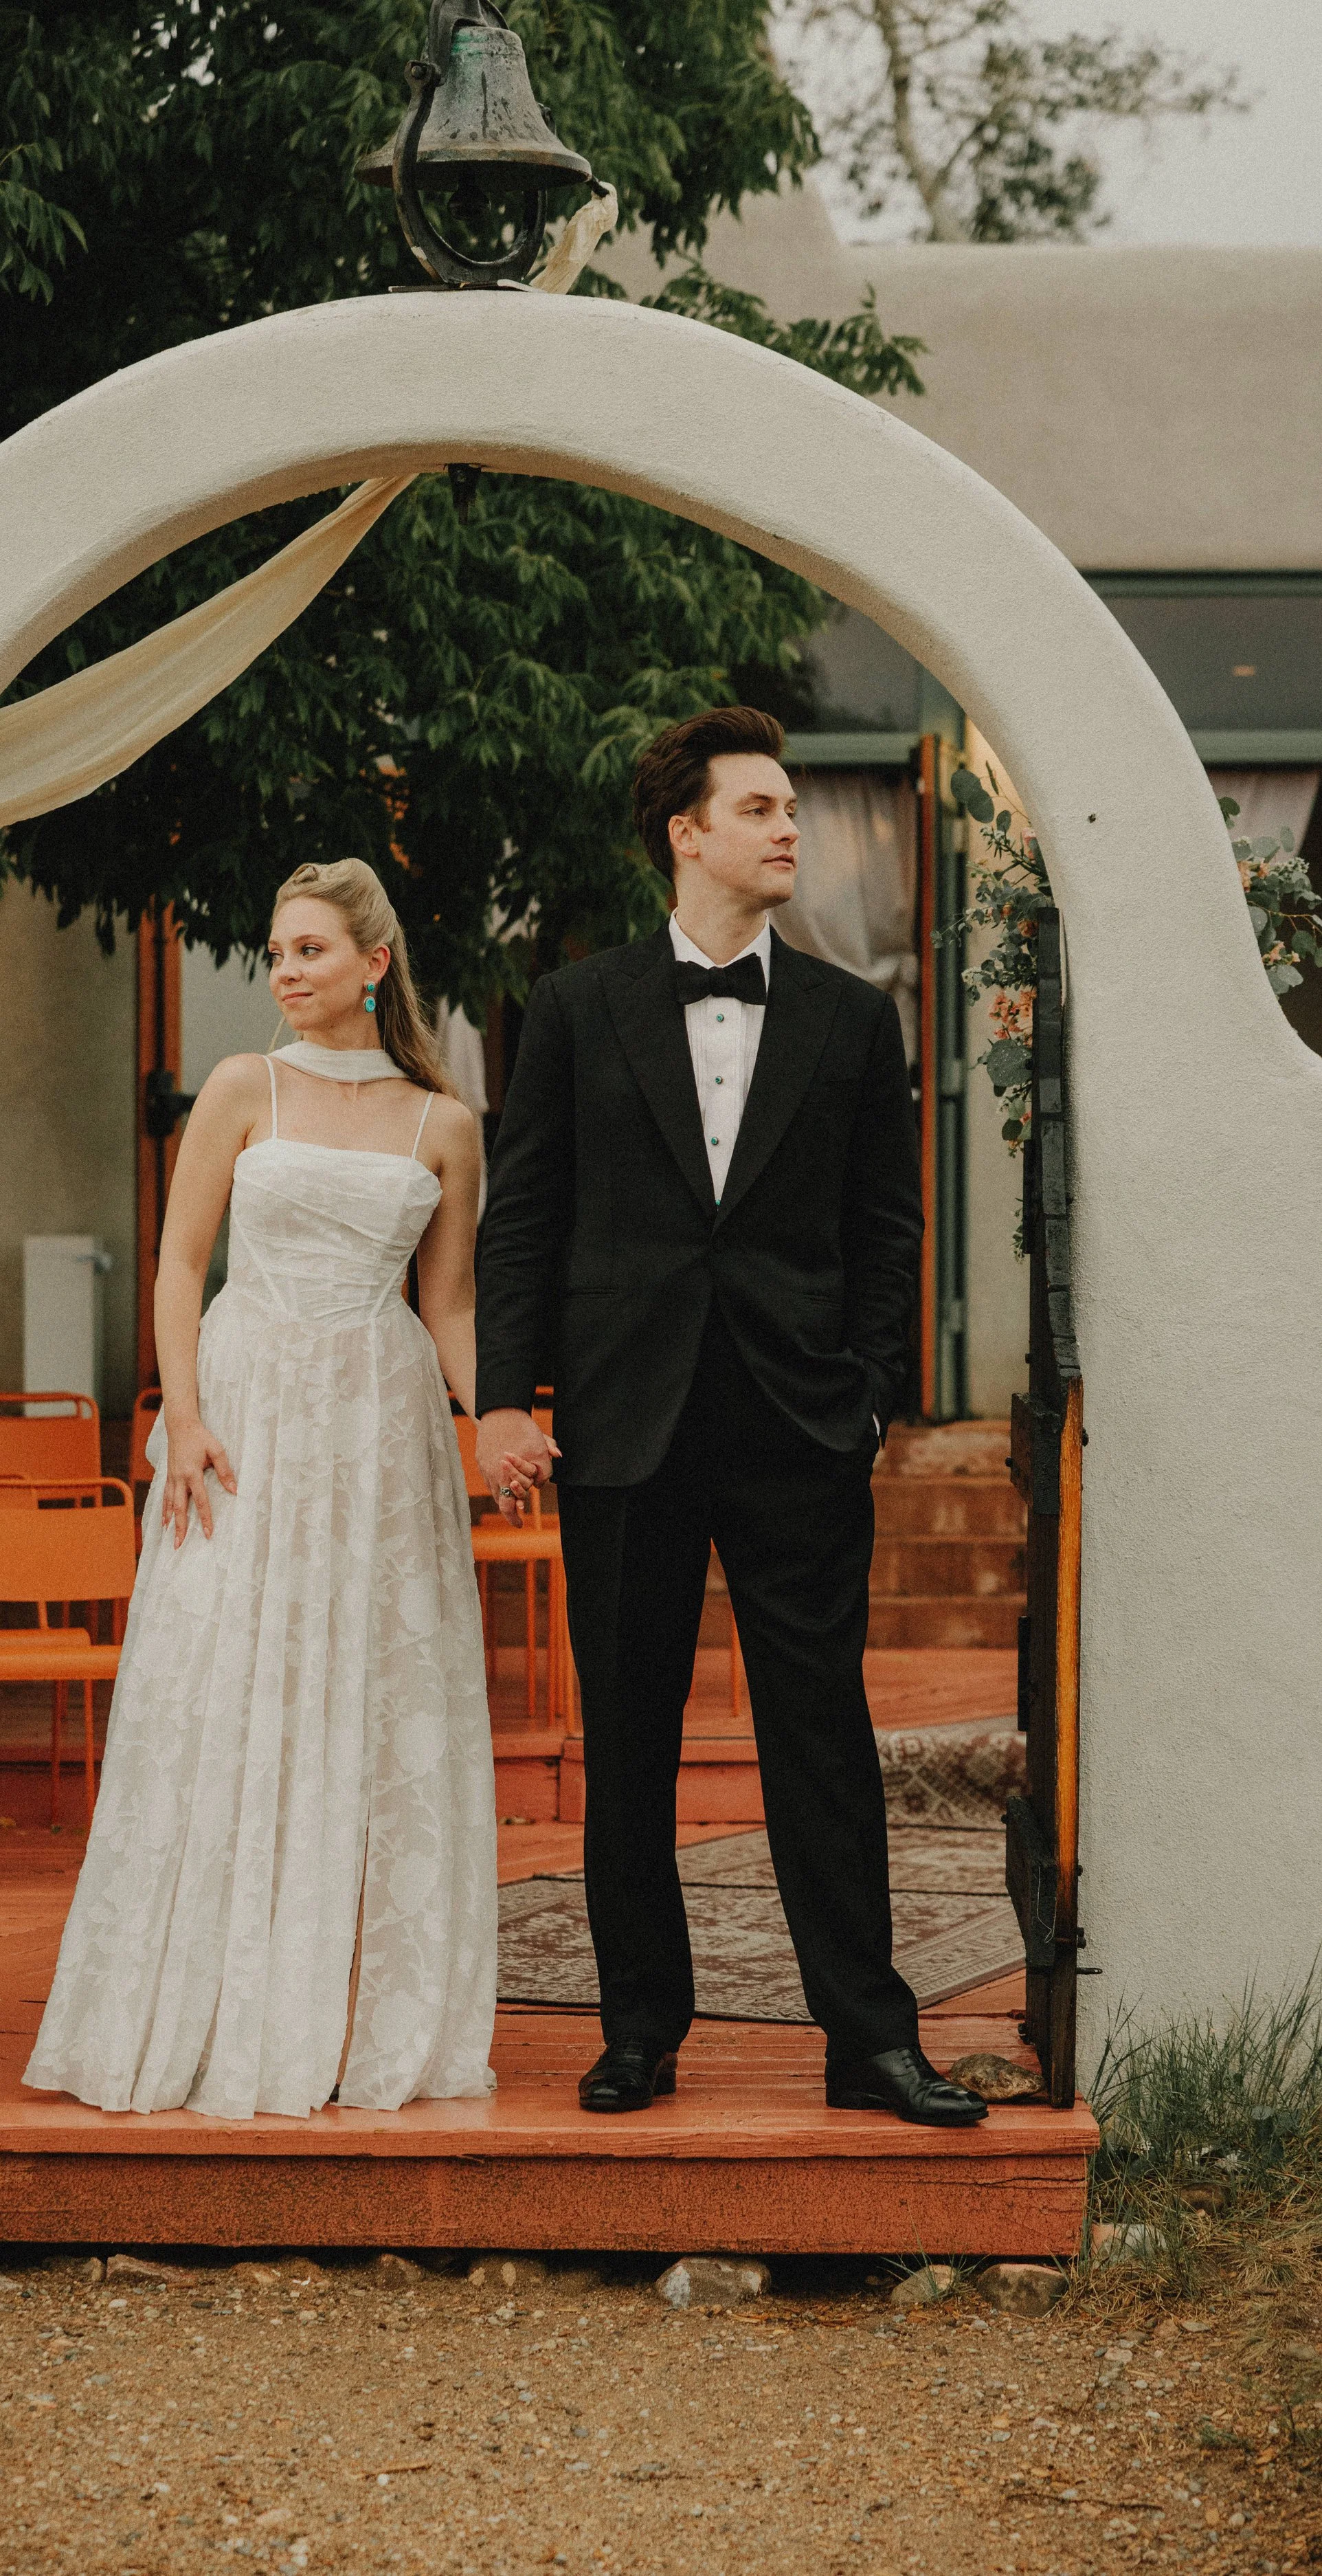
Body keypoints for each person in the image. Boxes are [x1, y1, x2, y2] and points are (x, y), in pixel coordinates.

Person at [473, 706, 988, 2129]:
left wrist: (865, 1389)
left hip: (793, 1426)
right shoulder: (575, 1008)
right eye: (756, 806)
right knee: (625, 1739)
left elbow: (889, 1227)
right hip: (620, 1427)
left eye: (791, 810)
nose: (786, 827)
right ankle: (637, 2025)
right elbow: (523, 1220)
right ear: (682, 831)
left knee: (815, 1734)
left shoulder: (844, 1015)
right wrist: (500, 1399)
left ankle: (867, 2040)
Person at [25, 858, 519, 2120]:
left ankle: (360, 2021)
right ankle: (203, 2010)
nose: (287, 972)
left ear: (374, 963)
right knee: (218, 1681)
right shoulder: (245, 1088)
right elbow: (180, 1265)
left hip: (379, 1421)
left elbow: (449, 1304)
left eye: (310, 950)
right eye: (277, 950)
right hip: (243, 1413)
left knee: (371, 1695)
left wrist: (497, 1418)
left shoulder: (443, 1123)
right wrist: (180, 1421)